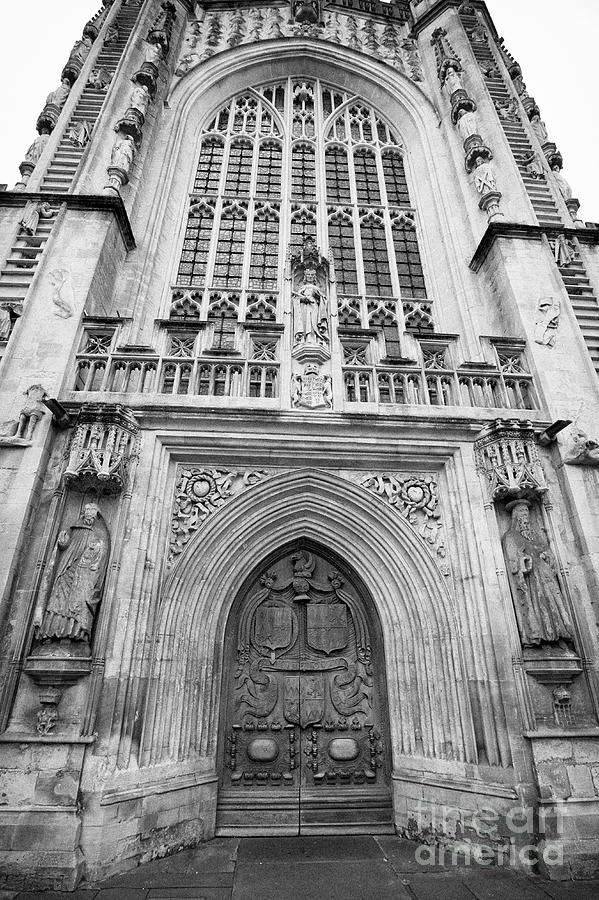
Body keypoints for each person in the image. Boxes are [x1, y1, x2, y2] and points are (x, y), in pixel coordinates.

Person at [502, 500, 574, 647]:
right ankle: (538, 637)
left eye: (527, 512)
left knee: (553, 605)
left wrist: (546, 556)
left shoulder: (536, 536)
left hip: (546, 576)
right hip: (531, 580)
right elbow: (513, 561)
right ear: (515, 516)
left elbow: (547, 551)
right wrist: (525, 560)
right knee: (537, 605)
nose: (525, 515)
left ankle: (559, 635)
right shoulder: (511, 536)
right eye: (522, 512)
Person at [36, 503, 110, 646]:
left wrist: (95, 551)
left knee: (80, 601)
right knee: (58, 599)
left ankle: (76, 634)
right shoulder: (75, 529)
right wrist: (63, 543)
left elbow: (100, 557)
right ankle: (50, 632)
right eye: (87, 511)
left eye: (92, 512)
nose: (89, 515)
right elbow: (68, 547)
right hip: (67, 568)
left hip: (84, 573)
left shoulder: (99, 534)